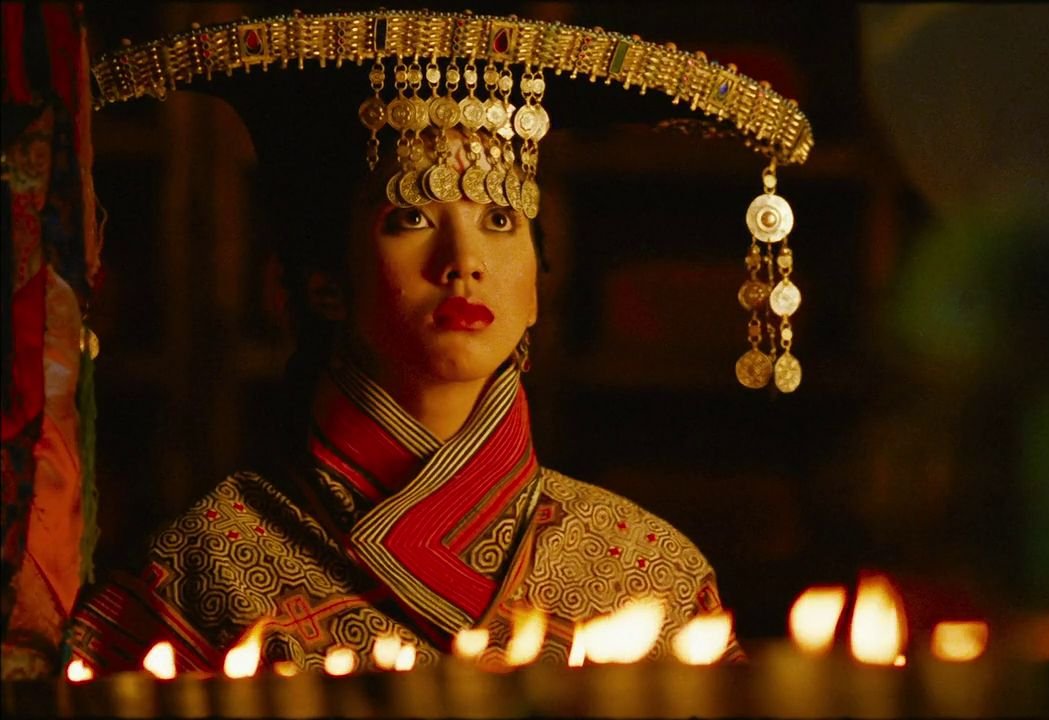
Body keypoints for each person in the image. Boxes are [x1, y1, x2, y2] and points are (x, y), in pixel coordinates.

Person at [66, 8, 812, 672]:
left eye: (500, 220)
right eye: (411, 217)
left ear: (535, 288)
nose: (464, 262)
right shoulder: (206, 568)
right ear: (326, 284)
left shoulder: (646, 569)